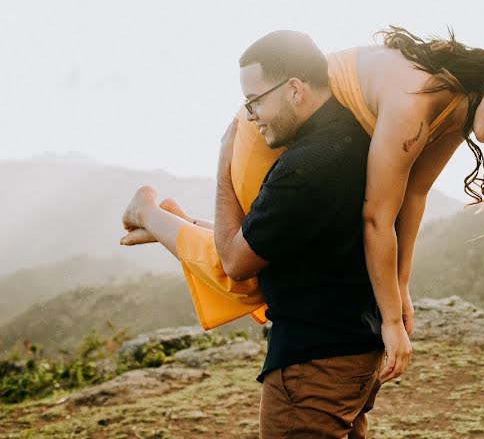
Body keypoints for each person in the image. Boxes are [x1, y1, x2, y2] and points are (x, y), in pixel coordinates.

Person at [123, 26, 484, 384]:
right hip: (271, 134)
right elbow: (377, 217)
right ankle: (150, 214)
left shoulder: (459, 102)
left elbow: (412, 197)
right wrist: (392, 324)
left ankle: (180, 225)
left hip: (322, 150)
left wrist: (399, 295)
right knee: (247, 272)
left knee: (281, 253)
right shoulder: (416, 97)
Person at [122, 31, 384, 437]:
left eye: (255, 100)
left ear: (295, 89)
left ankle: (148, 212)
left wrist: (224, 166)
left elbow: (235, 261)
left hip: (315, 363)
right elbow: (282, 236)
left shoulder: (305, 168)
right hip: (358, 349)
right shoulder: (353, 134)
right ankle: (158, 219)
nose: (250, 115)